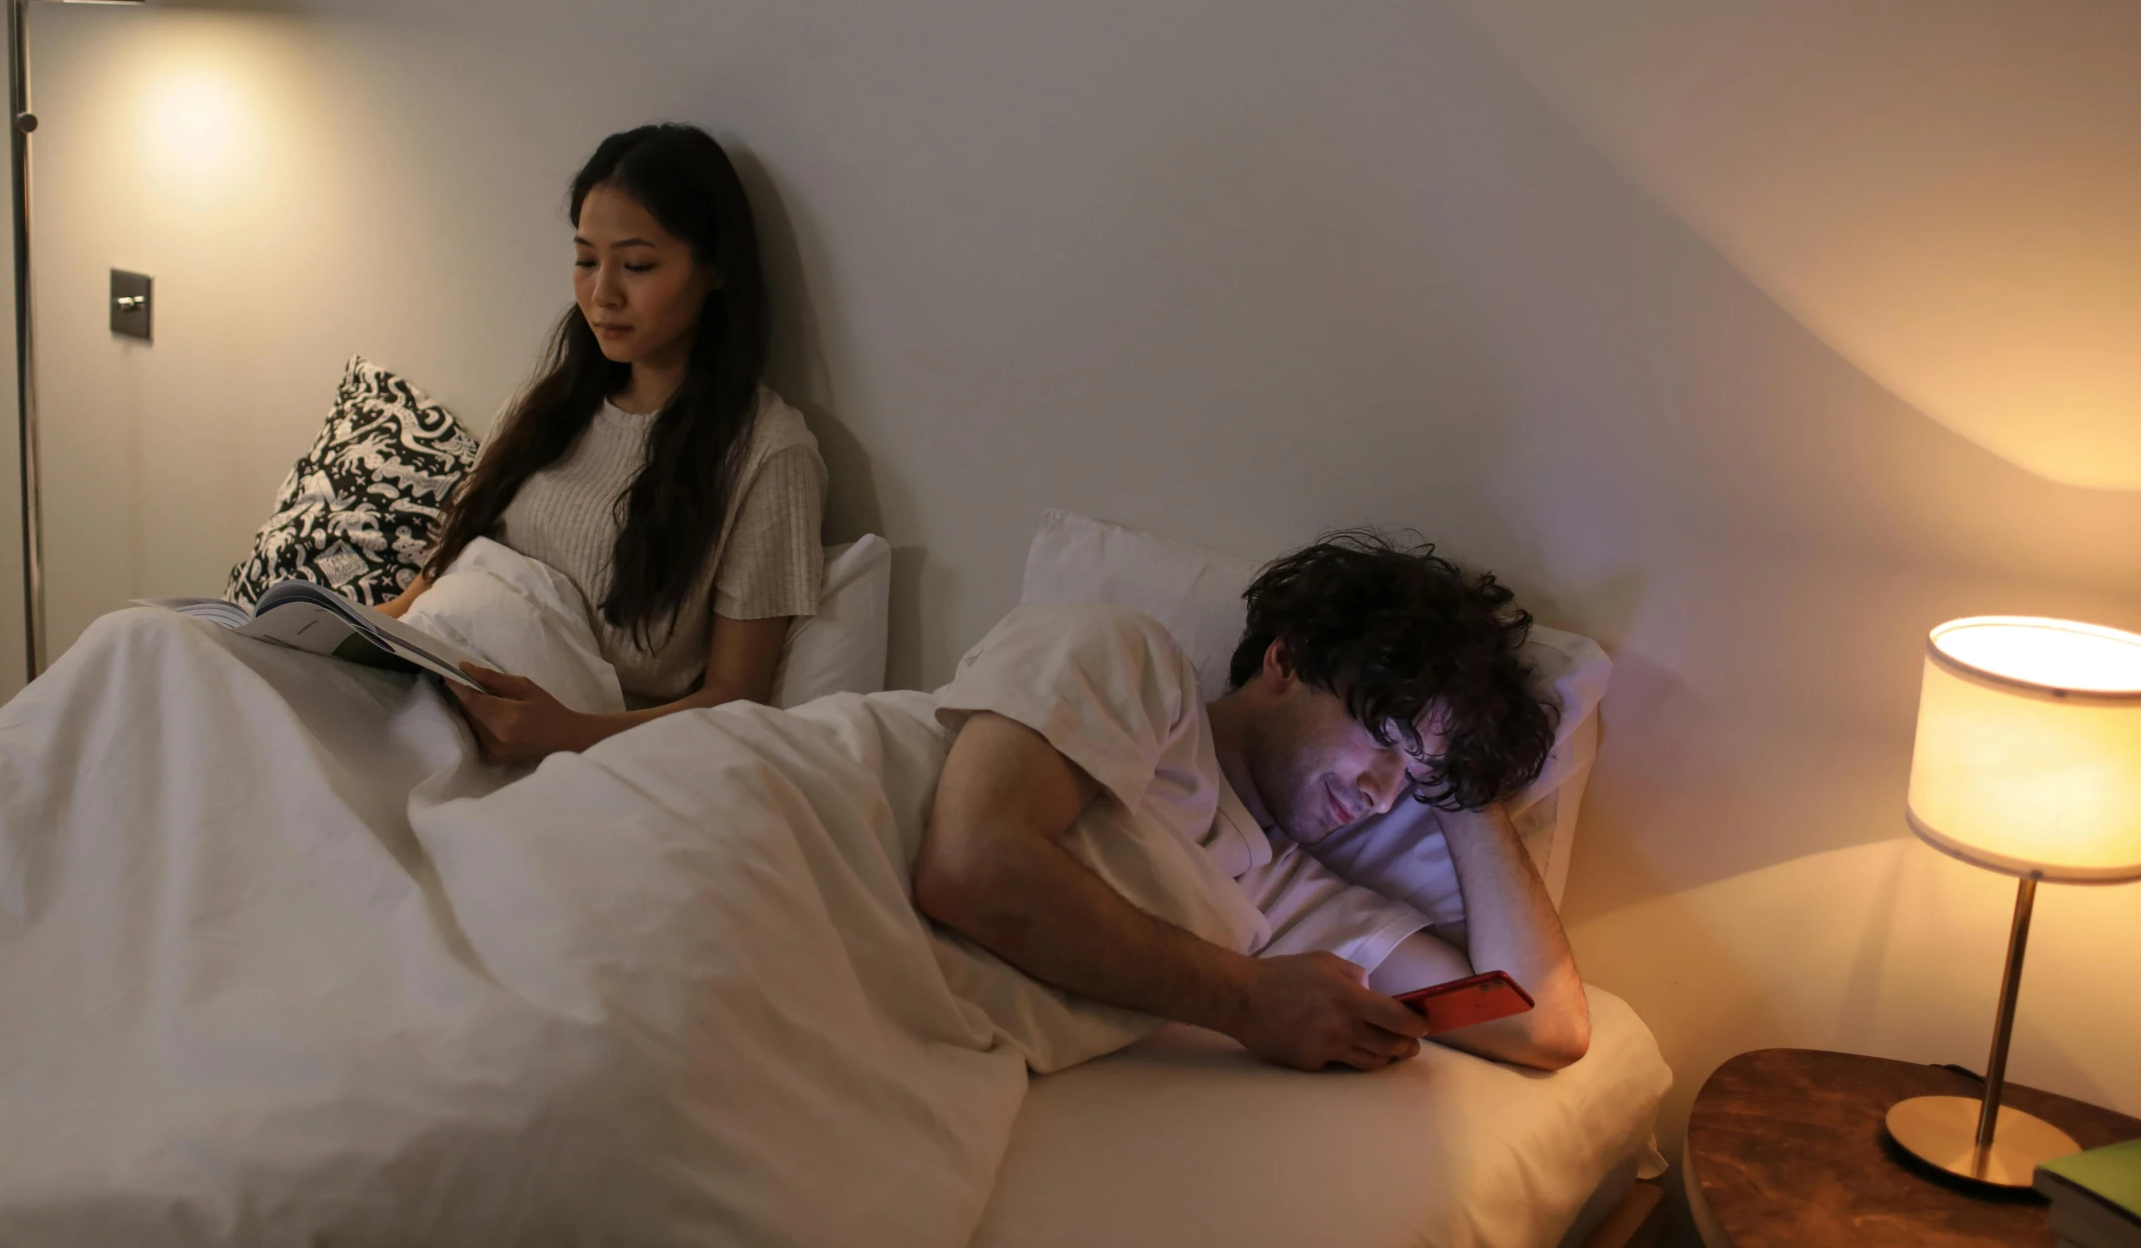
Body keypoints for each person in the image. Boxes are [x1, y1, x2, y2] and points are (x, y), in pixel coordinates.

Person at [912, 532, 1593, 1073]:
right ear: (1289, 658)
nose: (1383, 797)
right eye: (1384, 738)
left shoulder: (1292, 896)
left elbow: (1540, 1024)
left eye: (1413, 781)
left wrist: (1457, 784)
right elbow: (973, 863)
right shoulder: (1130, 661)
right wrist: (1243, 998)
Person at [381, 123, 827, 762]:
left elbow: (737, 695)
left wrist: (568, 736)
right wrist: (348, 632)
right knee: (194, 652)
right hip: (420, 689)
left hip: (559, 753)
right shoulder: (544, 406)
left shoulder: (766, 454)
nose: (601, 294)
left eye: (637, 265)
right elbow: (430, 584)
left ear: (717, 271)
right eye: (586, 260)